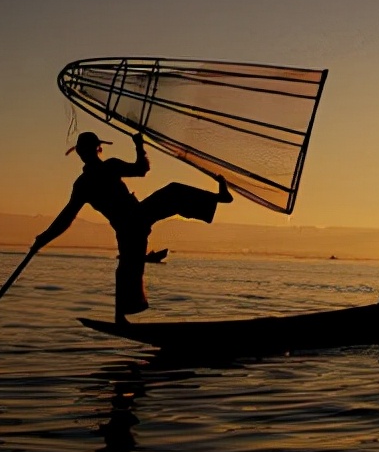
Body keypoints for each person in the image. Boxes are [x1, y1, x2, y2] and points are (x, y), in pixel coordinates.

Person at [32, 130, 232, 322]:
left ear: (95, 149)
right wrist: (43, 238)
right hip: (129, 226)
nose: (87, 153)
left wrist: (139, 147)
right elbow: (66, 217)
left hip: (136, 218)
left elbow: (140, 170)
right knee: (127, 268)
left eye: (89, 149)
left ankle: (121, 317)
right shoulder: (87, 182)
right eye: (85, 150)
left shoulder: (102, 172)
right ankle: (121, 317)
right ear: (88, 151)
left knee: (172, 194)